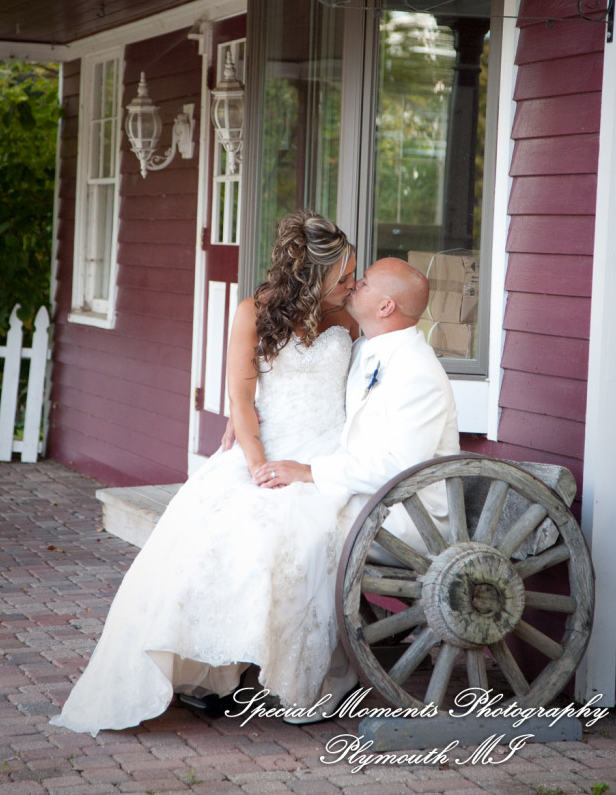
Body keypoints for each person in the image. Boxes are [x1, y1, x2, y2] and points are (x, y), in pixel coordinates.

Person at [50, 210, 360, 737]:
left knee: (293, 532)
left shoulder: (351, 318)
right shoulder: (254, 313)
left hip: (325, 453)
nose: (353, 282)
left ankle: (276, 672)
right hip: (267, 444)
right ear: (313, 274)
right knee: (213, 530)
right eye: (344, 274)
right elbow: (240, 394)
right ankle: (215, 669)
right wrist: (257, 461)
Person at [255, 257, 460, 722]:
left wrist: (309, 471)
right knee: (275, 516)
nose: (354, 286)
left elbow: (399, 468)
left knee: (308, 535)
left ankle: (329, 675)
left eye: (363, 283)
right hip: (367, 497)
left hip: (409, 515)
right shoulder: (369, 347)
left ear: (386, 305)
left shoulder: (416, 371)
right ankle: (275, 662)